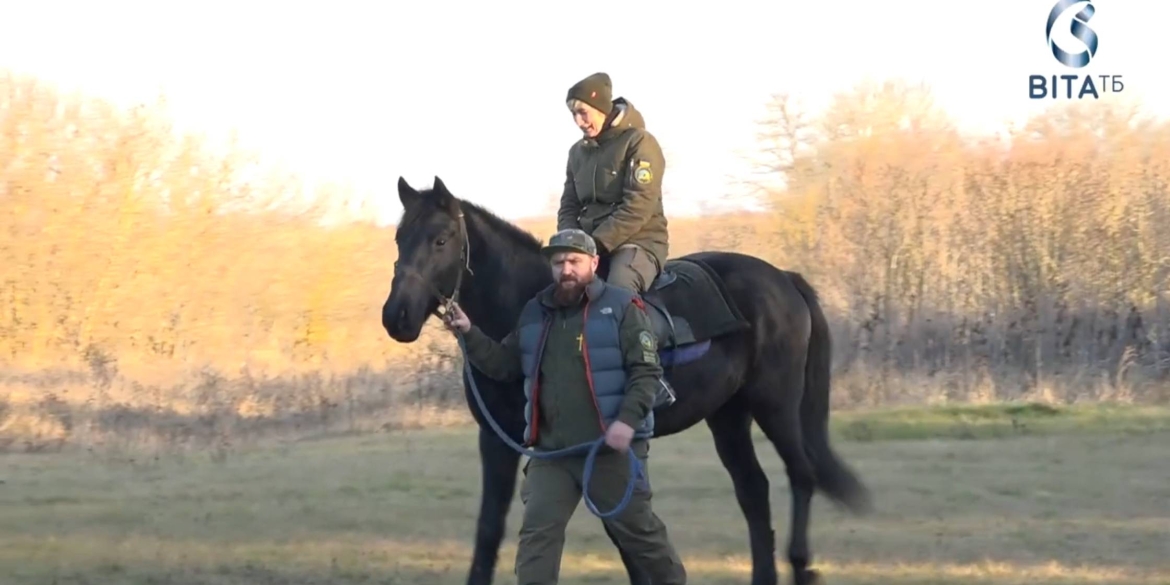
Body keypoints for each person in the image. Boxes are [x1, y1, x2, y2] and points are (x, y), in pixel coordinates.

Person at [442, 228, 687, 585]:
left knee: (642, 537)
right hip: (552, 455)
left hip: (608, 452)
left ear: (594, 263)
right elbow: (502, 364)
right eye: (558, 263)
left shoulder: (622, 308)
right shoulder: (534, 313)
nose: (566, 269)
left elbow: (646, 372)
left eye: (574, 261)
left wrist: (627, 422)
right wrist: (468, 332)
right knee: (536, 540)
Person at [557, 72, 669, 295]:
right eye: (573, 114)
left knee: (616, 293)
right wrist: (570, 243)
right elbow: (569, 206)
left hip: (637, 242)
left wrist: (594, 244)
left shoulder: (639, 142)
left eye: (583, 112)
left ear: (601, 109)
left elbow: (639, 205)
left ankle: (639, 330)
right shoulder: (577, 153)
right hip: (588, 249)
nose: (579, 121)